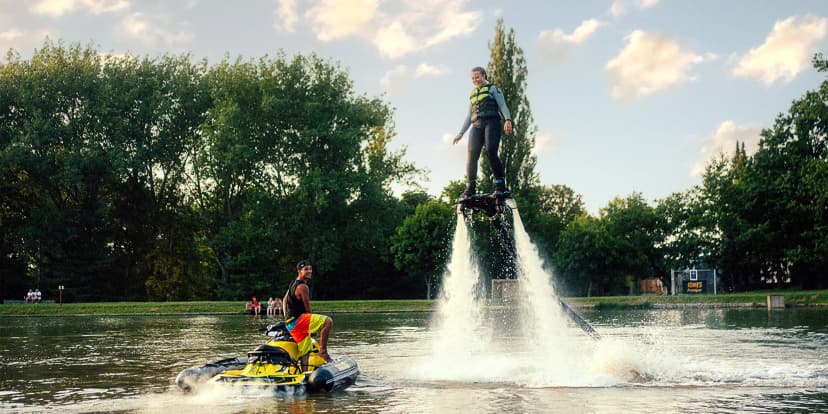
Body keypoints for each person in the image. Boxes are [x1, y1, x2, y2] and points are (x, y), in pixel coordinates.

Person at [453, 66, 513, 199]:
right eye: (473, 78)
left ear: (484, 76)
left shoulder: (493, 89)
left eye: (478, 77)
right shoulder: (473, 94)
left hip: (492, 123)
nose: (475, 80)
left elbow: (503, 105)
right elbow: (469, 116)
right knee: (472, 155)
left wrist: (507, 120)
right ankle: (471, 187)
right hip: (476, 125)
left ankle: (500, 185)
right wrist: (461, 133)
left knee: (491, 151)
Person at [283, 259, 333, 370]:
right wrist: (312, 328)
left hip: (290, 324)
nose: (309, 271)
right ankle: (323, 352)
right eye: (306, 269)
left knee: (305, 351)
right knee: (328, 321)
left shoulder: (293, 283)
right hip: (298, 320)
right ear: (299, 271)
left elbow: (284, 300)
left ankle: (304, 375)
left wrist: (285, 317)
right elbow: (308, 310)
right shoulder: (303, 287)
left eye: (310, 269)